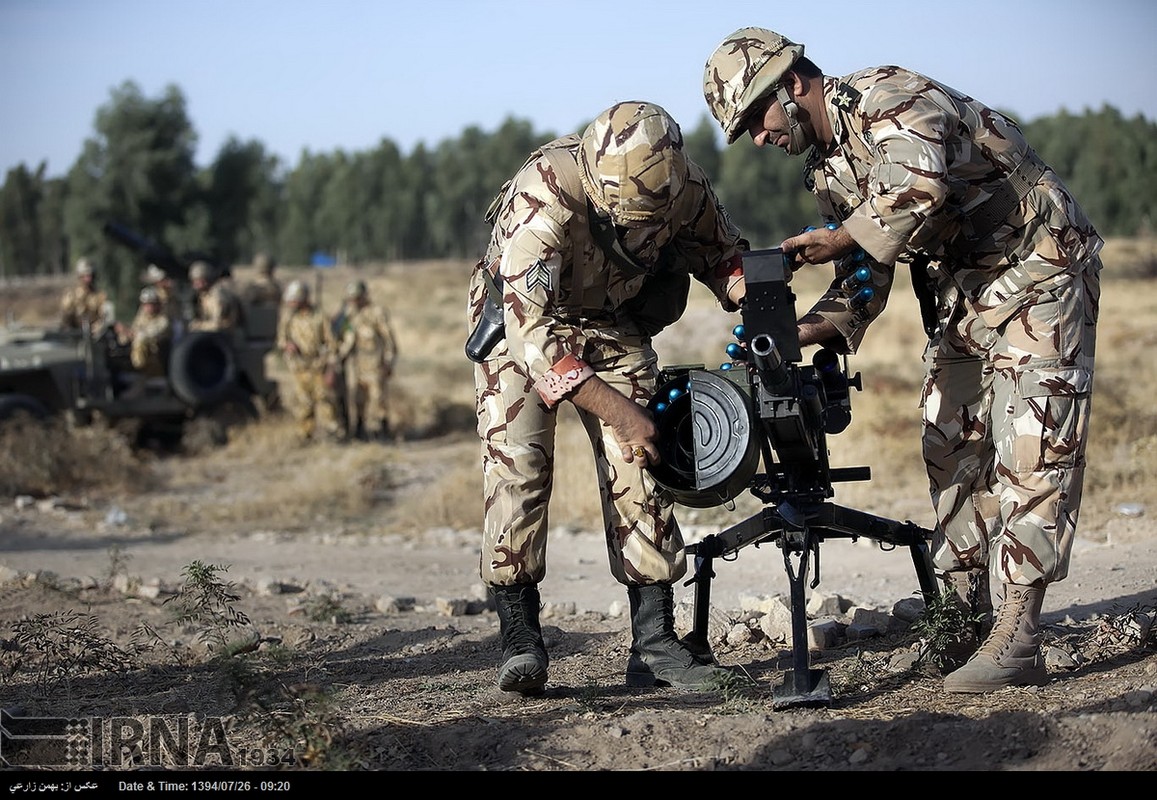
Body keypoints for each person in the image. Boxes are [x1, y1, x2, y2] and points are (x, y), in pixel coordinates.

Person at [703, 27, 1103, 693]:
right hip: (963, 293)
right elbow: (865, 276)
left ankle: (1018, 633)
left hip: (1039, 269)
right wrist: (795, 333)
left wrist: (838, 237)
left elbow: (916, 190)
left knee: (1032, 445)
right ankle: (961, 623)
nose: (757, 138)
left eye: (755, 117)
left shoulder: (891, 97)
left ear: (792, 87)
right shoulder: (828, 169)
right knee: (950, 445)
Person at [468, 100, 749, 696]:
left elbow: (721, 254)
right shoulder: (542, 195)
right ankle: (520, 641)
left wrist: (753, 293)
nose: (641, 228)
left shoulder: (680, 182)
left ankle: (654, 645)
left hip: (610, 317)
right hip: (525, 323)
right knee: (518, 466)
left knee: (641, 466)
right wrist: (625, 413)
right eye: (628, 218)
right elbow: (535, 339)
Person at [277, 280, 343, 443]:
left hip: (319, 366)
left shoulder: (319, 317)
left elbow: (332, 345)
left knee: (326, 401)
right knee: (303, 404)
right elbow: (281, 340)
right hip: (299, 368)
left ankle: (333, 433)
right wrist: (287, 345)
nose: (291, 304)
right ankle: (305, 435)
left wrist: (331, 369)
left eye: (294, 300)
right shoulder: (288, 318)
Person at [337, 280, 398, 441]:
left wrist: (388, 362)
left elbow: (389, 340)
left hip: (376, 364)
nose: (354, 301)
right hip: (357, 367)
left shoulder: (376, 313)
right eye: (351, 298)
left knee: (378, 400)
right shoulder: (350, 315)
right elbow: (347, 340)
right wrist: (336, 359)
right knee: (357, 400)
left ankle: (383, 432)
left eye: (356, 298)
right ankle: (359, 431)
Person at [115, 286, 173, 379]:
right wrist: (124, 332)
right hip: (142, 356)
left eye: (151, 304)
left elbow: (147, 335)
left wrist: (131, 333)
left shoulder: (163, 320)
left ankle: (137, 368)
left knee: (140, 342)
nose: (148, 307)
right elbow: (134, 330)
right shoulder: (142, 317)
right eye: (145, 304)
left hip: (156, 359)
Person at [188, 260, 243, 332]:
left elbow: (218, 324)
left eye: (198, 282)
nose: (195, 285)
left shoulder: (218, 296)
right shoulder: (202, 296)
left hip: (224, 336)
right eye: (194, 282)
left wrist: (200, 326)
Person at [60, 257, 111, 335]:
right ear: (80, 277)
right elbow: (65, 319)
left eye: (90, 275)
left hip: (95, 335)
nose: (88, 279)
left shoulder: (100, 296)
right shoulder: (71, 295)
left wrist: (97, 328)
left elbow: (105, 317)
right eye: (85, 276)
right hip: (75, 335)